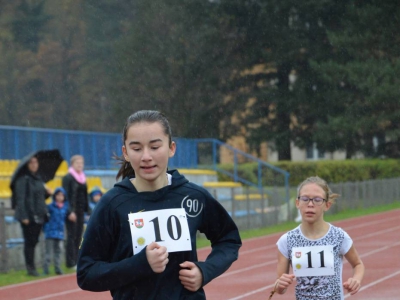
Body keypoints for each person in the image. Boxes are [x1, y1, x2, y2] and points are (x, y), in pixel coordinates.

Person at [77, 110, 242, 299]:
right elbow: (86, 273)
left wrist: (205, 271)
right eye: (137, 149)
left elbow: (229, 239)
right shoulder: (112, 204)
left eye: (155, 147)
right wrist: (140, 264)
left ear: (171, 148)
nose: (146, 156)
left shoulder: (193, 197)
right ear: (126, 152)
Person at [273, 176, 364, 300]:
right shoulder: (287, 240)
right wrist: (279, 284)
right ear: (297, 203)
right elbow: (280, 288)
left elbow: (358, 264)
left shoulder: (338, 236)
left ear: (327, 205)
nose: (310, 204)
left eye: (317, 200)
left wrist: (356, 280)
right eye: (305, 199)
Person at [14, 156, 51, 276]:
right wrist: (24, 216)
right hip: (29, 216)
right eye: (31, 162)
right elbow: (20, 199)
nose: (34, 164)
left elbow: (39, 198)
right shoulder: (22, 179)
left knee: (34, 242)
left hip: (39, 215)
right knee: (29, 242)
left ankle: (32, 267)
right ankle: (30, 268)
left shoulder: (38, 179)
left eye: (36, 162)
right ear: (27, 165)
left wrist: (47, 194)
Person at [62, 154, 88, 269]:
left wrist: (87, 210)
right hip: (72, 211)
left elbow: (84, 195)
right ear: (72, 164)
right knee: (71, 236)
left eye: (81, 163)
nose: (80, 165)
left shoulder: (83, 178)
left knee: (78, 236)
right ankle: (70, 262)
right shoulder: (67, 178)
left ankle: (77, 260)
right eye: (77, 163)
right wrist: (70, 211)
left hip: (81, 210)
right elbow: (66, 196)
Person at [43, 187, 69, 275]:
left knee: (58, 251)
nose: (60, 197)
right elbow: (45, 218)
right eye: (58, 195)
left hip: (60, 232)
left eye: (62, 195)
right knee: (48, 252)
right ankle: (46, 269)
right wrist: (46, 228)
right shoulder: (50, 206)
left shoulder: (65, 207)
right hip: (50, 231)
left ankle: (57, 268)